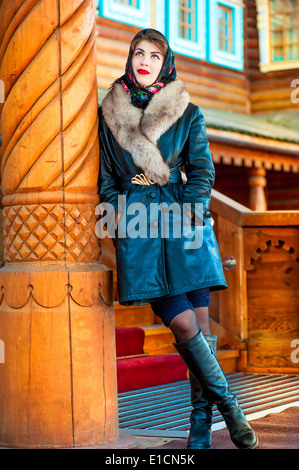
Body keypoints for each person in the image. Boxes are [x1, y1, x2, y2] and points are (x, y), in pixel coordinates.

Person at [97, 28, 258, 450]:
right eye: (137, 53)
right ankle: (231, 408)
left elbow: (202, 170)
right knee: (184, 323)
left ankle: (200, 429)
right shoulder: (108, 112)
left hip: (185, 229)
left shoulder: (187, 112)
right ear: (129, 59)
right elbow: (107, 182)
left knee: (201, 330)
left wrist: (190, 209)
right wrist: (121, 220)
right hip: (141, 233)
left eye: (153, 54)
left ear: (165, 62)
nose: (144, 60)